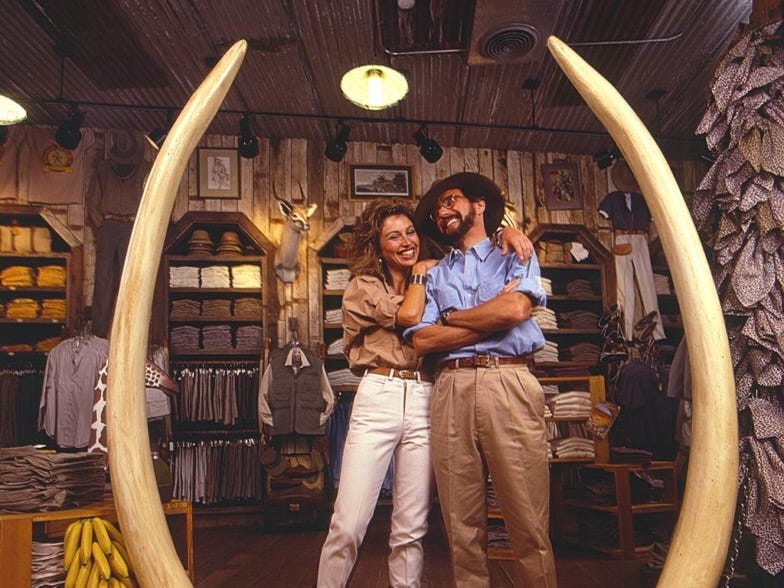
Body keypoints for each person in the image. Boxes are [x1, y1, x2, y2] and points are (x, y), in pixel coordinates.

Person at [316, 198, 532, 588]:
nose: (405, 241)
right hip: (377, 395)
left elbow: (470, 264)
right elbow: (411, 319)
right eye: (393, 236)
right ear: (376, 246)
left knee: (412, 527)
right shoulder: (363, 287)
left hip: (426, 397)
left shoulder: (439, 277)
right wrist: (489, 322)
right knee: (347, 525)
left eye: (411, 232)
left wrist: (505, 232)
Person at [404, 172, 557, 587]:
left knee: (527, 521)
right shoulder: (433, 276)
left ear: (480, 205)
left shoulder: (516, 251)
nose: (441, 212)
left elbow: (515, 312)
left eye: (450, 200)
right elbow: (421, 339)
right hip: (449, 388)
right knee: (461, 526)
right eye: (436, 209)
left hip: (508, 382)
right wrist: (489, 317)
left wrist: (452, 318)